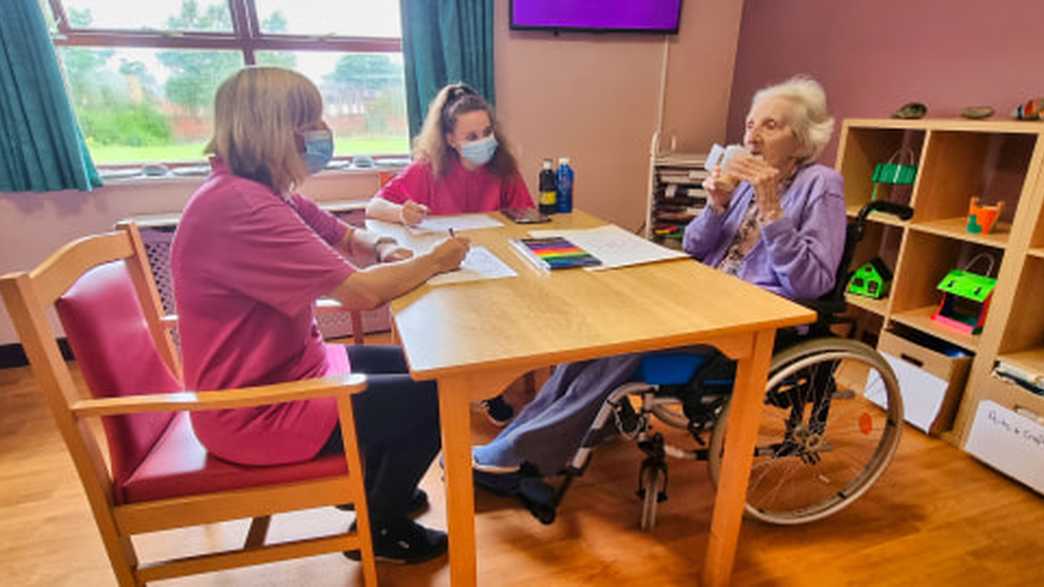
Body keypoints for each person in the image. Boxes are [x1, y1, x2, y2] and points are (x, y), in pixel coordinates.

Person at [471, 75, 846, 483]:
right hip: (706, 298)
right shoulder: (744, 185)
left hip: (753, 319)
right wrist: (716, 205)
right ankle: (535, 432)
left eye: (770, 126)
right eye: (750, 125)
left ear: (803, 140)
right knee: (596, 326)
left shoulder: (821, 185)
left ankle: (529, 449)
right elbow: (695, 245)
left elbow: (813, 283)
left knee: (628, 340)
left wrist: (772, 210)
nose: (753, 137)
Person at [170, 66, 470, 565]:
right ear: (272, 130)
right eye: (310, 121)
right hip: (256, 408)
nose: (321, 132)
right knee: (433, 395)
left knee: (421, 363)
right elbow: (360, 295)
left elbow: (346, 236)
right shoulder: (243, 206)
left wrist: (386, 249)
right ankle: (380, 526)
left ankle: (377, 487)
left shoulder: (261, 191)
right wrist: (435, 260)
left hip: (291, 368)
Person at [367, 82, 535, 426]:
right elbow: (374, 206)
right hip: (445, 266)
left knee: (510, 302)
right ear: (450, 139)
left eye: (487, 132)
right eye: (471, 136)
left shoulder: (503, 169)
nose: (483, 142)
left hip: (495, 265)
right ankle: (471, 382)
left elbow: (526, 215)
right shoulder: (427, 170)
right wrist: (402, 213)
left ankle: (494, 382)